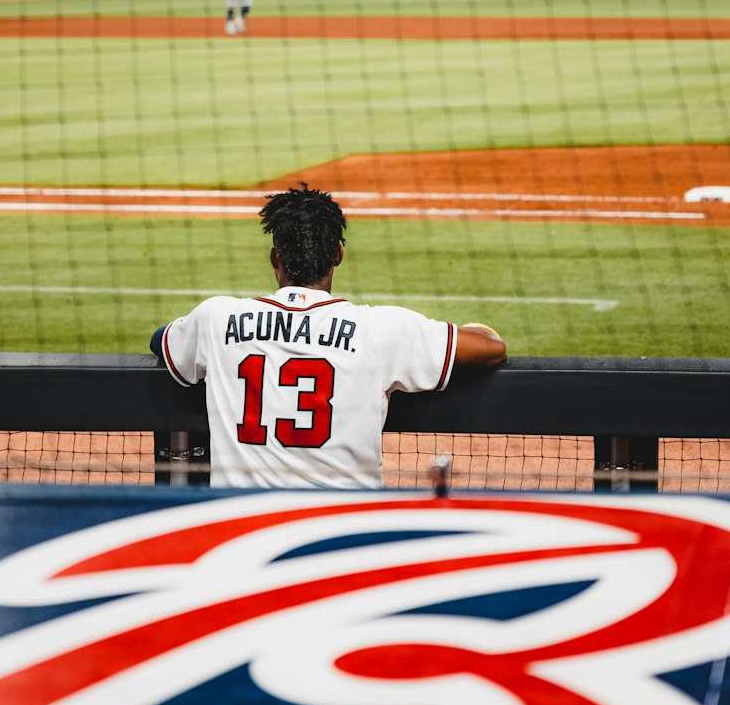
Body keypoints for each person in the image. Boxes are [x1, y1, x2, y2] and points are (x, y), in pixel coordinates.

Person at [151, 183, 506, 488]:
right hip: (339, 528)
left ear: (275, 257)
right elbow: (491, 349)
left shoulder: (216, 318)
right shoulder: (381, 329)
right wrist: (481, 329)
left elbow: (161, 341)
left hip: (244, 522)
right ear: (338, 255)